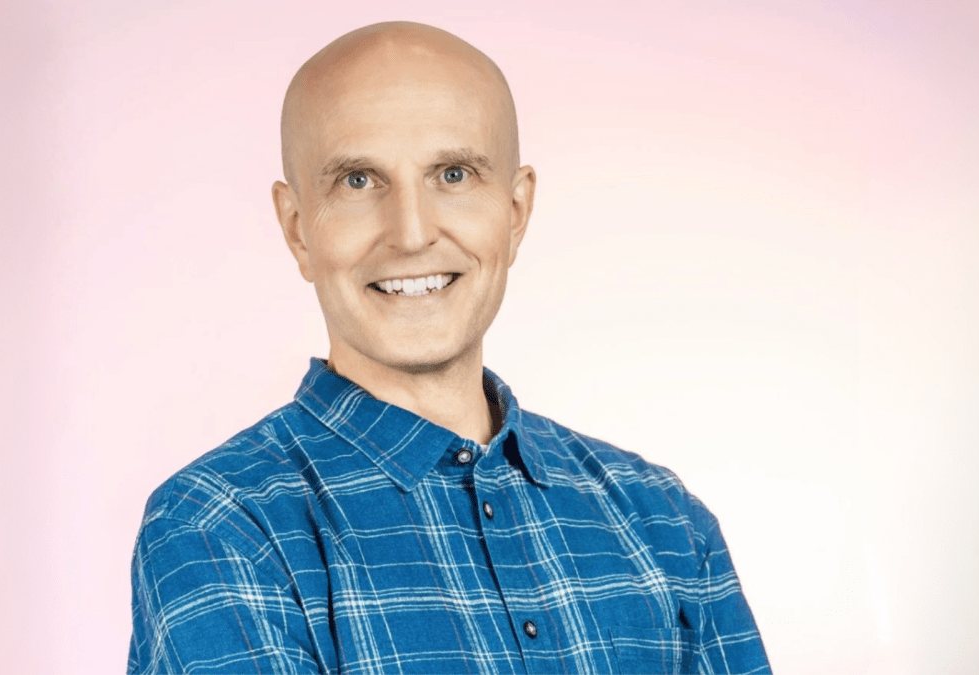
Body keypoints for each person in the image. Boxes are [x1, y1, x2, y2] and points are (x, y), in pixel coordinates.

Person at [128, 21, 771, 674]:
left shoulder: (665, 522)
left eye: (453, 174)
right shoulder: (219, 528)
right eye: (358, 181)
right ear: (298, 230)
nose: (411, 233)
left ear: (515, 213)